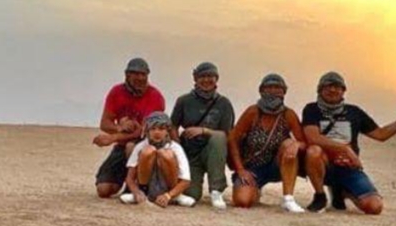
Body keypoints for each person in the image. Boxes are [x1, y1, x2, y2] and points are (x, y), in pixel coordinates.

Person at [302, 71, 396, 214]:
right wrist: (345, 149)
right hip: (323, 165)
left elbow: (381, 134)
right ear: (320, 90)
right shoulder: (312, 109)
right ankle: (320, 196)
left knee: (374, 207)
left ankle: (343, 191)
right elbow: (313, 138)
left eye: (337, 86)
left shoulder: (354, 112)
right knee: (313, 151)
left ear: (343, 91)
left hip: (348, 167)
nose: (332, 90)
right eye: (328, 86)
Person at [228, 74, 307, 213]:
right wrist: (240, 170)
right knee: (243, 201)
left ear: (284, 91)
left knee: (288, 143)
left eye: (277, 87)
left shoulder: (288, 114)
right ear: (261, 90)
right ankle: (255, 190)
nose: (273, 91)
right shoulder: (253, 112)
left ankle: (288, 199)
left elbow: (304, 142)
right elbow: (232, 138)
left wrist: (296, 145)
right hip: (252, 168)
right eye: (269, 87)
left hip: (277, 166)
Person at [93, 57, 166, 198]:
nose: (140, 78)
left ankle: (132, 185)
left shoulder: (155, 96)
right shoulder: (116, 92)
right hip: (121, 146)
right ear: (127, 75)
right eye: (136, 74)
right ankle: (121, 179)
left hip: (146, 146)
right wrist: (120, 128)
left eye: (143, 74)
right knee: (103, 190)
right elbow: (105, 123)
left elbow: (143, 131)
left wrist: (112, 138)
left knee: (131, 147)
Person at [170, 61, 235, 209]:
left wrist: (204, 131)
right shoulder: (184, 101)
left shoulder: (224, 103)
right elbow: (172, 126)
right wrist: (178, 147)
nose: (206, 80)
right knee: (191, 195)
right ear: (195, 78)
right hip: (191, 152)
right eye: (202, 76)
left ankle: (216, 191)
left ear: (216, 79)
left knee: (218, 138)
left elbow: (227, 134)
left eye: (210, 76)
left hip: (213, 152)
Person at [119, 112, 195, 207]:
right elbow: (130, 178)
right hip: (146, 186)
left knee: (166, 154)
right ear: (147, 131)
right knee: (148, 151)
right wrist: (136, 192)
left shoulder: (176, 148)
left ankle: (174, 196)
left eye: (161, 129)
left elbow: (186, 180)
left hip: (169, 189)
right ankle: (144, 193)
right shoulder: (140, 146)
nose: (157, 132)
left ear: (167, 131)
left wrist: (168, 195)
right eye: (153, 129)